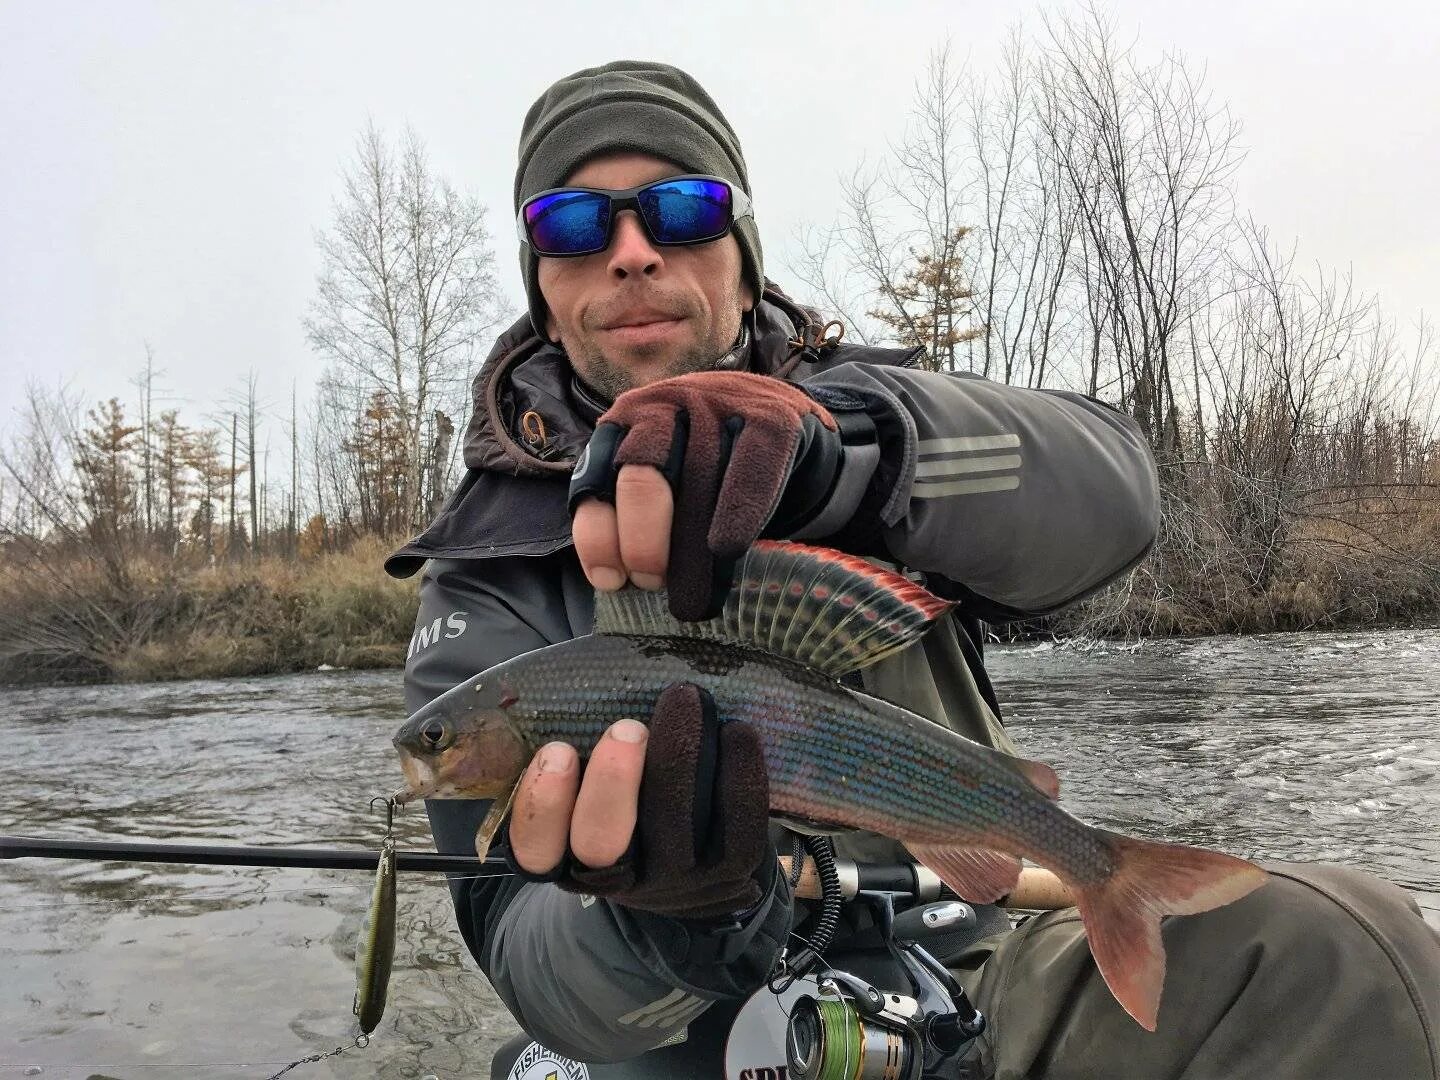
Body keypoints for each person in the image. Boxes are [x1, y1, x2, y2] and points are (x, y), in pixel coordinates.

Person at [388, 61, 1440, 1080]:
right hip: (684, 1041)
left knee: (1348, 953)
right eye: (572, 224)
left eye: (682, 209)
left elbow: (1123, 494)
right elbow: (530, 967)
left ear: (742, 252)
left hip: (969, 969)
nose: (630, 252)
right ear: (540, 278)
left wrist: (854, 457)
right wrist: (668, 927)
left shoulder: (866, 419)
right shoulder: (483, 573)